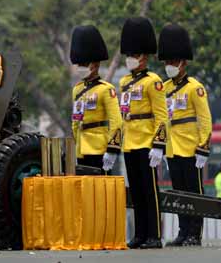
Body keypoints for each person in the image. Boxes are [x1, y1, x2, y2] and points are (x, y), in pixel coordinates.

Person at [159, 24, 212, 247]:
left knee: (194, 193)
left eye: (173, 61)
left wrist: (203, 147)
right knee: (180, 194)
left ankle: (194, 233)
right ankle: (182, 231)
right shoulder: (163, 87)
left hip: (191, 147)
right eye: (167, 62)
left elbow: (205, 120)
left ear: (184, 62)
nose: (169, 66)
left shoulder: (195, 87)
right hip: (172, 147)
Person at [118, 17, 167, 249]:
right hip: (130, 142)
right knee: (136, 192)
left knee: (150, 191)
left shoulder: (154, 82)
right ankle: (139, 234)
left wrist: (159, 145)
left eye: (133, 54)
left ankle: (154, 235)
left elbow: (161, 116)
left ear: (143, 57)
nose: (129, 58)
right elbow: (123, 114)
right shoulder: (124, 82)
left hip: (147, 141)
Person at [69, 25, 123, 173]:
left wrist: (112, 149)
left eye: (84, 64)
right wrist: (76, 144)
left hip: (100, 149)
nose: (80, 67)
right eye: (79, 64)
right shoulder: (77, 90)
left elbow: (116, 122)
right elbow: (75, 122)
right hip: (81, 149)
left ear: (95, 64)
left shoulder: (106, 89)